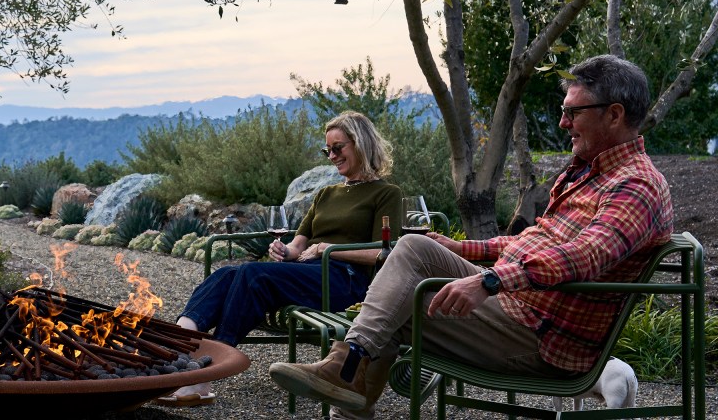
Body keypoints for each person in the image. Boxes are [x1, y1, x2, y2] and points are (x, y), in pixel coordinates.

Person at [268, 55, 674, 420]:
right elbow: (538, 239)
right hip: (516, 309)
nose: (563, 123)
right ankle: (346, 370)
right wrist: (462, 248)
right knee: (415, 248)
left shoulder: (635, 185)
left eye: (572, 112)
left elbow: (587, 254)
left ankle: (345, 372)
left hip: (540, 338)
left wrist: (489, 280)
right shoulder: (589, 172)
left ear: (614, 115)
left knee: (394, 305)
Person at [155, 111, 403, 408]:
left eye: (338, 148)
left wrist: (326, 248)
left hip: (345, 281)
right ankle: (180, 344)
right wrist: (285, 252)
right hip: (309, 273)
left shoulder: (386, 194)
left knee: (252, 274)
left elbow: (383, 254)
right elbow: (298, 245)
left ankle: (205, 373)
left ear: (360, 143)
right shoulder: (326, 194)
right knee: (226, 274)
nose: (332, 156)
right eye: (327, 150)